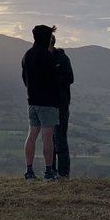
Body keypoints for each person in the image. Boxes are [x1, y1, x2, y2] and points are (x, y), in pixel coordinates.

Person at [22, 24, 63, 181]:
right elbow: (54, 80)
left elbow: (24, 78)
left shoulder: (27, 55)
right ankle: (48, 172)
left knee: (32, 135)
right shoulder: (48, 57)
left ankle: (29, 171)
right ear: (46, 38)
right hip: (48, 102)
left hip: (32, 100)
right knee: (47, 137)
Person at [50, 32, 75, 179]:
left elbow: (70, 78)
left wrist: (52, 79)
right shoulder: (44, 58)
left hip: (60, 103)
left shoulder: (63, 58)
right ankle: (52, 170)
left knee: (59, 138)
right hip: (48, 103)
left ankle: (63, 173)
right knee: (49, 139)